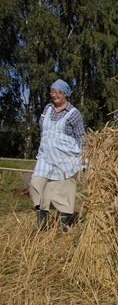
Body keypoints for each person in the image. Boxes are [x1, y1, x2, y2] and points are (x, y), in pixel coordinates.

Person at [29, 79, 85, 232]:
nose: (54, 95)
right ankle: (41, 222)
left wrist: (83, 159)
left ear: (65, 94)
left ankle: (63, 225)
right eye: (52, 92)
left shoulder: (74, 114)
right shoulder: (47, 109)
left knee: (64, 189)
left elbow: (81, 137)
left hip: (65, 158)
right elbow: (44, 130)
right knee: (36, 183)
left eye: (57, 92)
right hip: (46, 156)